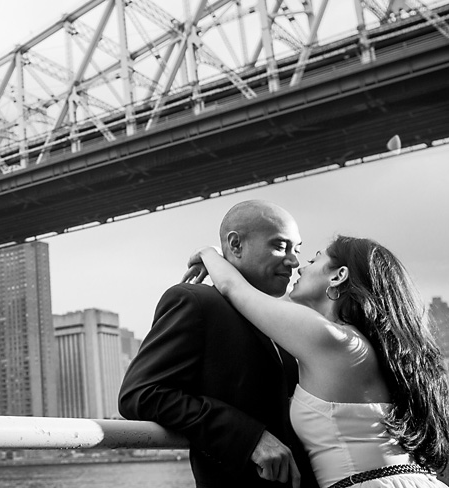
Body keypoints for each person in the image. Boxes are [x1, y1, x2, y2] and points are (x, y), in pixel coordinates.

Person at [185, 234, 449, 488]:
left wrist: (210, 253)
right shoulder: (360, 346)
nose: (299, 268)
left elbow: (235, 289)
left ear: (338, 275)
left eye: (313, 260)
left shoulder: (332, 340)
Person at [119, 200, 318, 488]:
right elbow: (141, 394)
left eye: (296, 250)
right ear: (235, 245)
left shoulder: (278, 322)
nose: (294, 262)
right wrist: (250, 438)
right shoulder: (196, 302)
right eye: (280, 246)